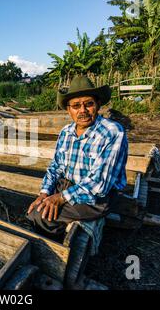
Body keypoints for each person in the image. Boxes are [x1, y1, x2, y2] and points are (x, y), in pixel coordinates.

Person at [26, 75, 128, 240]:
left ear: (98, 105)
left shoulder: (112, 131)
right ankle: (51, 237)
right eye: (76, 106)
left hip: (96, 198)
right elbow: (56, 166)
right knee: (36, 208)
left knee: (39, 216)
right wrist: (45, 192)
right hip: (67, 187)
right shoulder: (66, 131)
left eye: (89, 104)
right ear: (68, 109)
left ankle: (56, 252)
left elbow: (99, 185)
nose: (83, 110)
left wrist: (61, 197)